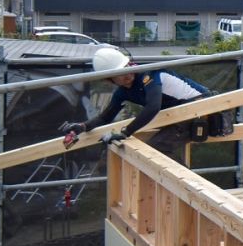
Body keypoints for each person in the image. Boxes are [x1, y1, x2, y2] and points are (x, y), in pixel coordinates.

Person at [59, 46, 210, 162]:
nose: (127, 73)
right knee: (154, 147)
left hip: (201, 106)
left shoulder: (148, 75)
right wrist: (82, 127)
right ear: (108, 79)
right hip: (178, 114)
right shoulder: (122, 92)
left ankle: (196, 190)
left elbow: (153, 107)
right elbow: (105, 117)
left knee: (158, 148)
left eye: (127, 66)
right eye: (120, 72)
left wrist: (125, 132)